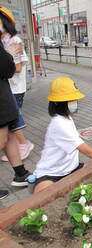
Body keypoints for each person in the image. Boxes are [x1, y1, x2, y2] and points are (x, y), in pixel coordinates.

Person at [0, 22, 31, 194]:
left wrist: (8, 56)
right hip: (4, 93)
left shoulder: (13, 40)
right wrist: (8, 55)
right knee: (3, 138)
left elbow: (13, 68)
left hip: (8, 91)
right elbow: (7, 68)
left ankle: (21, 174)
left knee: (10, 134)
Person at [0, 6, 34, 162]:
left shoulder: (15, 40)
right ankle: (17, 148)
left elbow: (19, 68)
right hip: (7, 88)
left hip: (15, 88)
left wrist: (7, 59)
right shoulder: (4, 41)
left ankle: (24, 144)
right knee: (10, 122)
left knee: (13, 120)